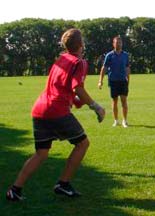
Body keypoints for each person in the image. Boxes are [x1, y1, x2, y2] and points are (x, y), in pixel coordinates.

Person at [6, 29, 105, 201]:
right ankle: (63, 184)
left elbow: (61, 88)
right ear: (81, 45)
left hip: (40, 109)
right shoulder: (78, 62)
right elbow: (77, 88)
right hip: (56, 110)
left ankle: (15, 190)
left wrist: (76, 101)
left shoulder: (61, 59)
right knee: (82, 143)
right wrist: (96, 106)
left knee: (41, 153)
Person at [98, 36, 131, 128]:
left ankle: (124, 121)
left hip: (123, 81)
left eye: (120, 42)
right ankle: (116, 121)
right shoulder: (109, 55)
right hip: (113, 81)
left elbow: (127, 68)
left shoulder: (125, 55)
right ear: (113, 44)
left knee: (124, 101)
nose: (118, 44)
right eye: (117, 42)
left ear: (122, 44)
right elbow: (104, 68)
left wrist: (128, 79)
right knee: (114, 101)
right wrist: (100, 81)